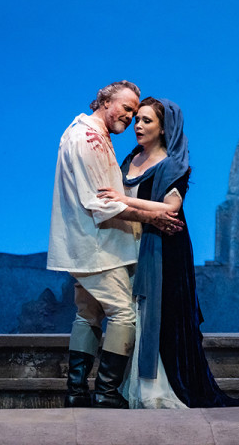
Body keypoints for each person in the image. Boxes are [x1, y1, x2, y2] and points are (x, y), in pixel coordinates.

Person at [99, 97, 239, 408]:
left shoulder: (172, 165)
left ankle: (156, 392)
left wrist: (122, 200)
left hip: (162, 250)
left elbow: (172, 208)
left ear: (164, 128)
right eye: (138, 120)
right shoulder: (131, 159)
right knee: (131, 316)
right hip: (129, 246)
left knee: (159, 316)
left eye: (147, 121)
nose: (138, 126)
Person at [47, 81, 183, 409]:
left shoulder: (89, 134)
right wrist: (152, 217)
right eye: (125, 108)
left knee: (87, 314)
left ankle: (77, 392)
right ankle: (106, 392)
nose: (130, 116)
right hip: (96, 247)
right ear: (105, 101)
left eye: (136, 112)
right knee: (123, 315)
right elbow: (101, 203)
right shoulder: (89, 138)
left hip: (92, 244)